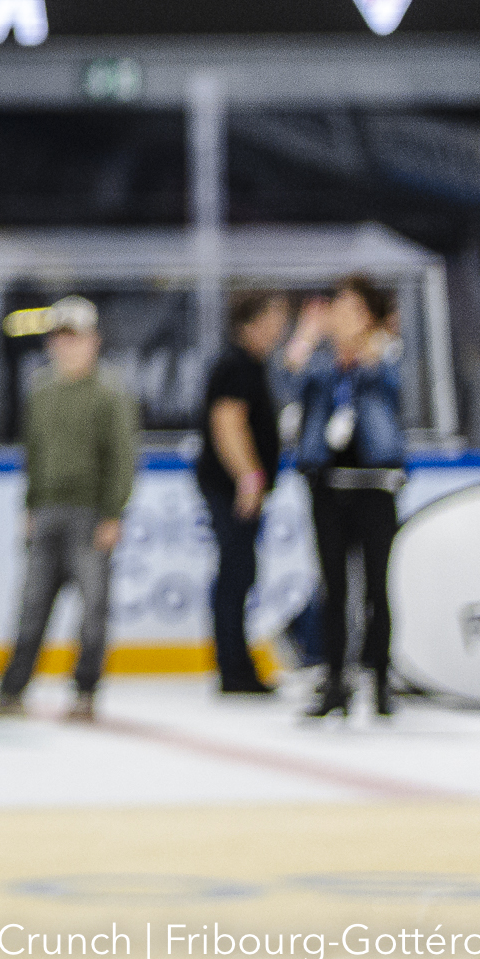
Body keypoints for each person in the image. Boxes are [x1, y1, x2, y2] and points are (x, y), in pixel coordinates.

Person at [0, 297, 138, 722]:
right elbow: (34, 454)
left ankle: (85, 690)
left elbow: (122, 457)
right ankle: (12, 691)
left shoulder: (110, 393)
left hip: (90, 514)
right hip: (48, 511)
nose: (67, 347)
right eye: (61, 338)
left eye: (76, 338)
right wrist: (31, 505)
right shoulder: (41, 391)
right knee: (31, 607)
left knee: (93, 610)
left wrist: (113, 513)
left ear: (93, 341)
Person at [283, 277, 409, 720]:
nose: (341, 319)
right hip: (329, 487)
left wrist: (370, 353)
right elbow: (287, 386)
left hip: (374, 486)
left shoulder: (386, 356)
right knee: (333, 589)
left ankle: (380, 678)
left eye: (352, 310)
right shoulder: (321, 365)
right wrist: (306, 337)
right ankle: (335, 679)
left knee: (376, 588)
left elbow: (393, 392)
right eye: (337, 310)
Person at [195, 291, 289, 696]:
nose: (281, 326)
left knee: (240, 571)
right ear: (255, 320)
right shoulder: (236, 365)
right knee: (236, 572)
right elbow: (227, 423)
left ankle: (235, 664)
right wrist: (249, 478)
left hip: (234, 485)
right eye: (276, 316)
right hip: (231, 487)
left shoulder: (251, 363)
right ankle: (233, 668)